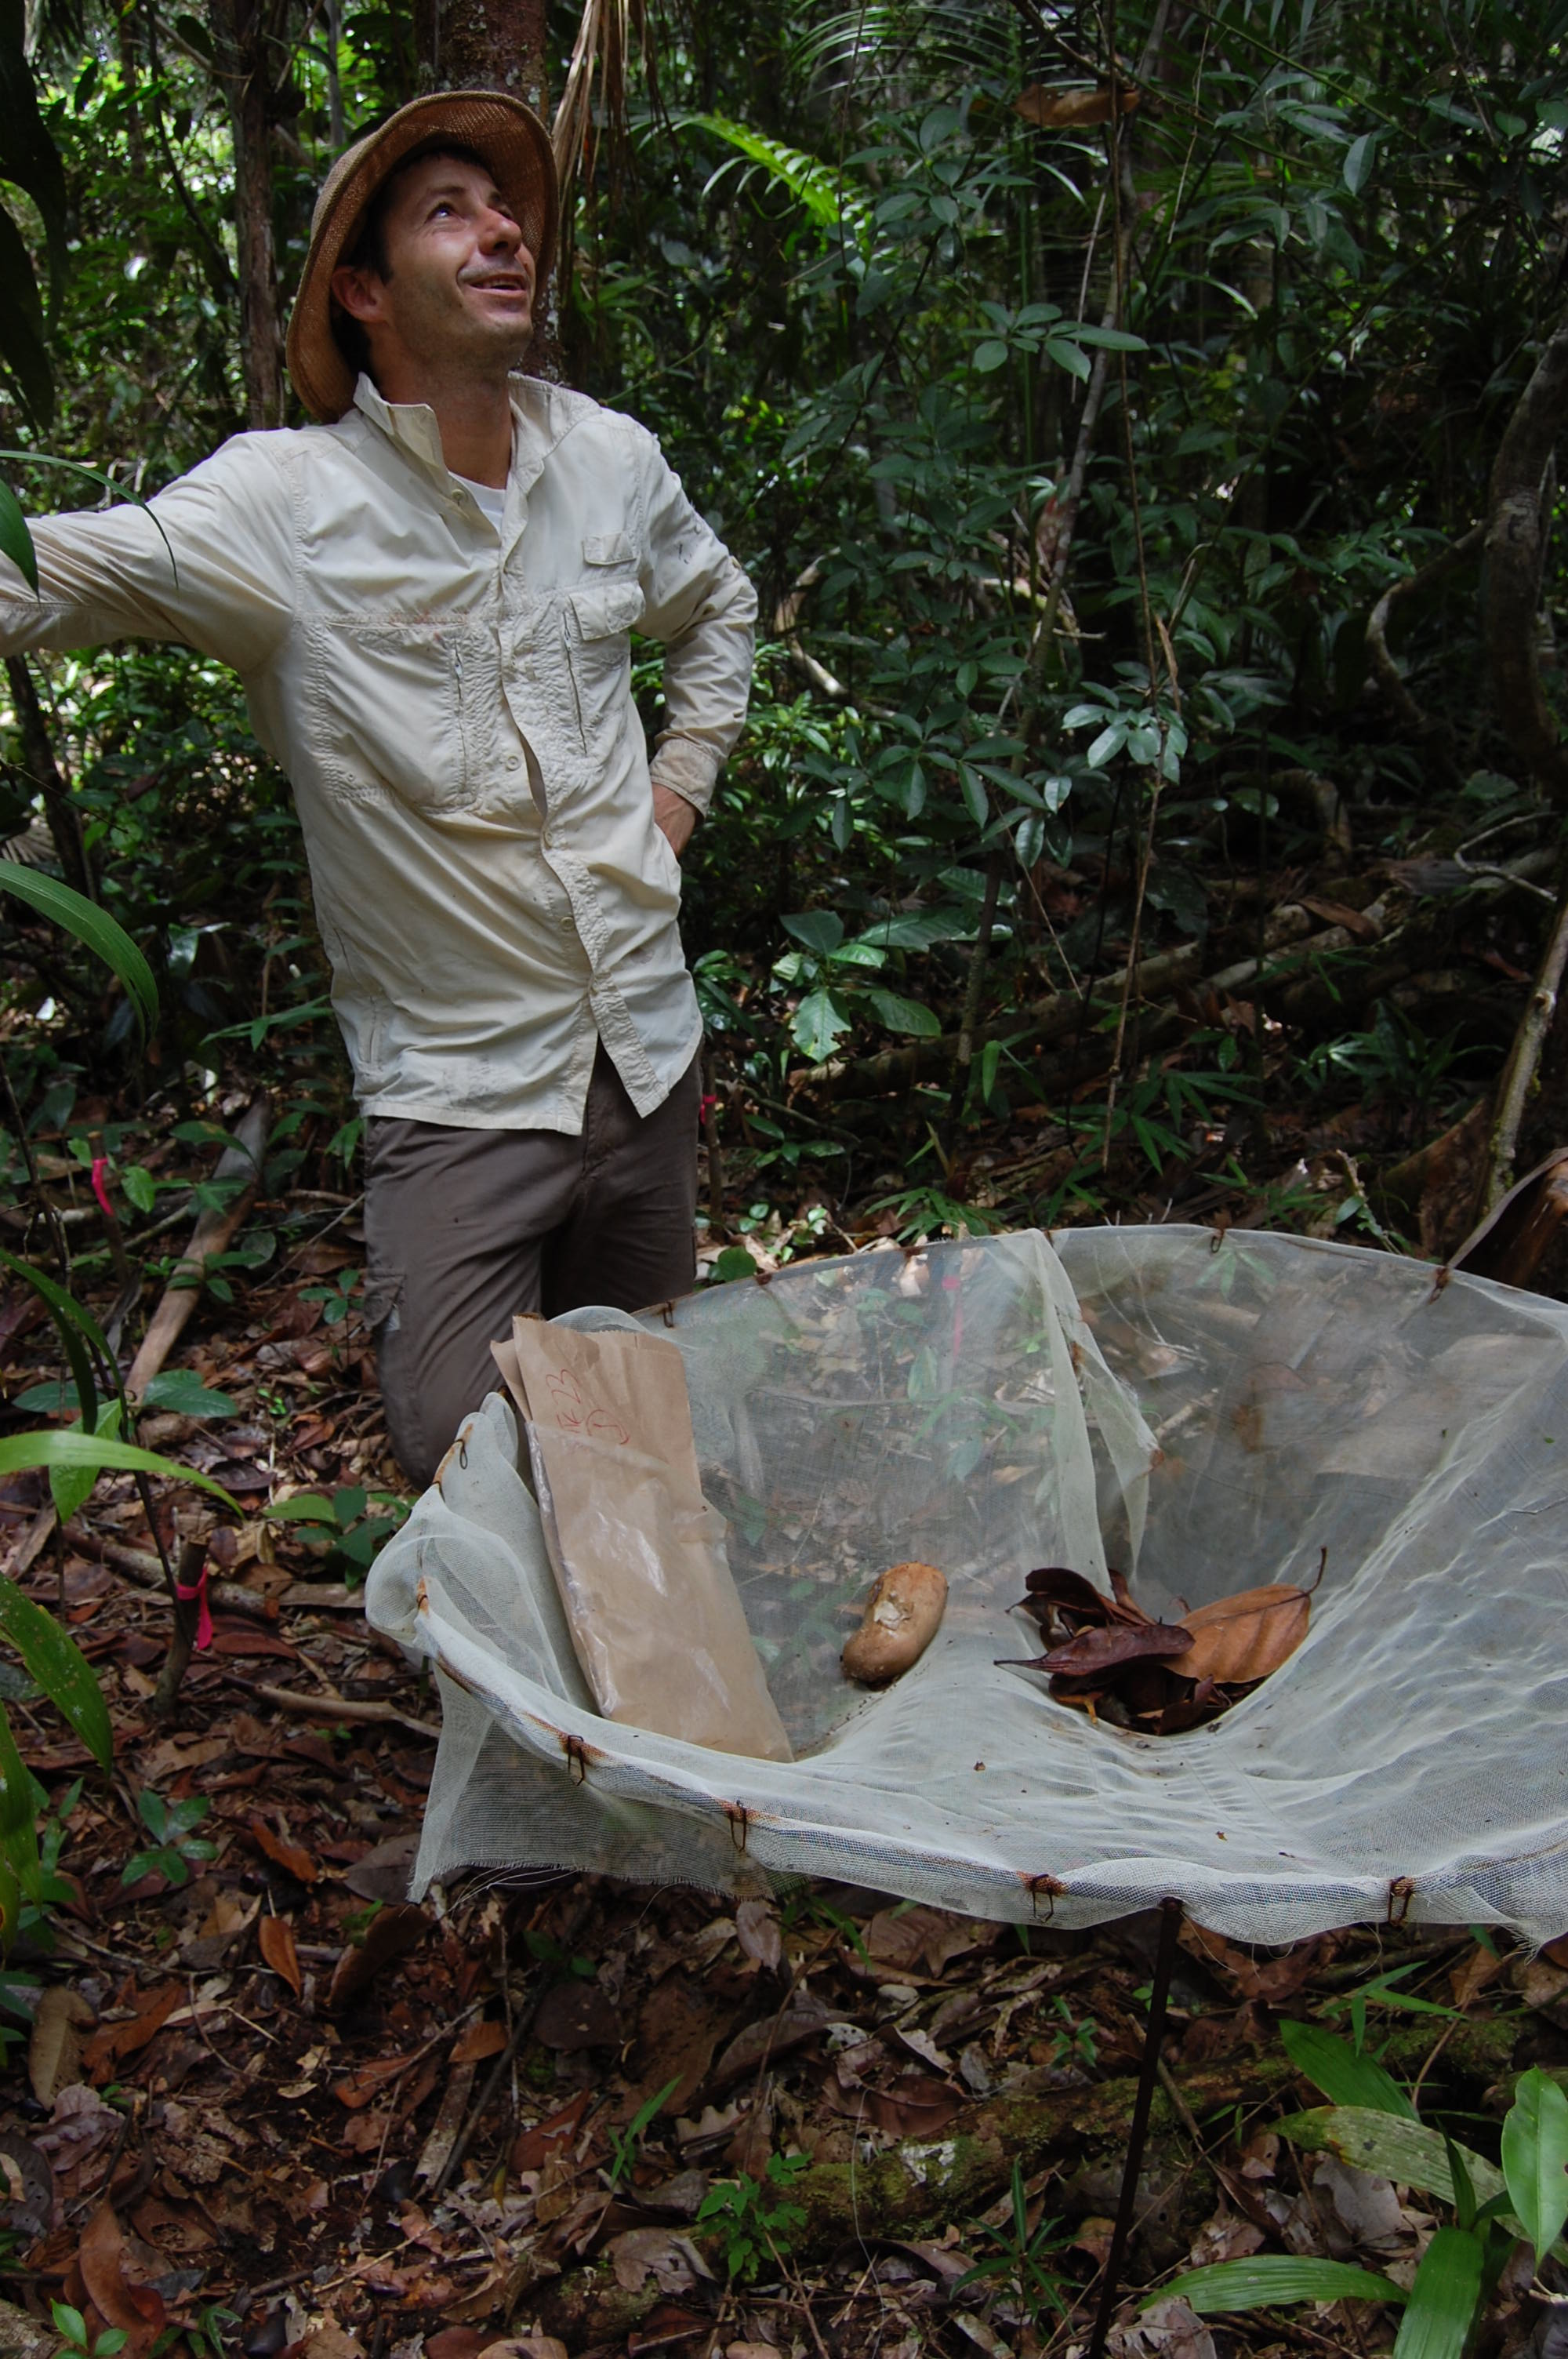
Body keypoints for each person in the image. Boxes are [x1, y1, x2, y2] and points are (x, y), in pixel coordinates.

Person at [0, 91, 757, 1487]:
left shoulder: (608, 461)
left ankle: (650, 1701)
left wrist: (678, 796)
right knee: (464, 1462)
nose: (503, 232)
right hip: (461, 1091)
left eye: (505, 207)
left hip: (643, 1053)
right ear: (363, 291)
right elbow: (44, 575)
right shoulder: (280, 506)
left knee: (654, 1442)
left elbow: (721, 608)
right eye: (448, 212)